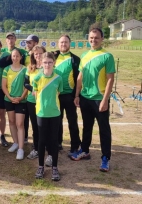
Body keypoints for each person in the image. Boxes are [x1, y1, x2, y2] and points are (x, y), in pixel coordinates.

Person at [72, 27, 115, 172]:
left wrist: (105, 100)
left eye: (96, 37)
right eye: (91, 37)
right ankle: (84, 150)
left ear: (102, 39)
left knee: (104, 129)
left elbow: (110, 80)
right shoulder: (84, 55)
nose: (93, 40)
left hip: (99, 99)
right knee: (87, 126)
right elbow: (80, 77)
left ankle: (105, 158)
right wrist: (77, 95)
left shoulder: (107, 56)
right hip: (85, 98)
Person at [33, 52, 63, 181]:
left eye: (50, 62)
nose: (47, 65)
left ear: (54, 63)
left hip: (55, 114)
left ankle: (55, 168)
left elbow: (58, 93)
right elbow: (35, 94)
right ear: (41, 63)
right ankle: (40, 167)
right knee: (41, 141)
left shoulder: (58, 78)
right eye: (45, 62)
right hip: (41, 113)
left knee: (53, 141)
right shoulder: (36, 78)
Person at [53, 34, 81, 154]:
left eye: (66, 42)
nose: (63, 44)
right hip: (56, 96)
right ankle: (58, 143)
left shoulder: (75, 59)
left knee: (72, 121)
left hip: (69, 95)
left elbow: (79, 78)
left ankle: (75, 144)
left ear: (70, 44)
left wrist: (76, 95)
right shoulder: (53, 56)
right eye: (61, 42)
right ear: (58, 44)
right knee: (57, 121)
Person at [2, 49, 28, 160]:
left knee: (20, 124)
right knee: (11, 122)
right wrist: (10, 97)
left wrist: (21, 97)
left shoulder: (25, 69)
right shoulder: (6, 69)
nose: (15, 58)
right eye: (13, 56)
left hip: (21, 100)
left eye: (17, 56)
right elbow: (3, 86)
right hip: (9, 100)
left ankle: (21, 149)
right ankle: (16, 143)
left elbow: (27, 85)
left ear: (21, 57)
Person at [24, 45, 46, 160]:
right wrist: (34, 90)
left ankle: (45, 147)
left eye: (40, 53)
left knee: (44, 126)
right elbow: (26, 83)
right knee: (35, 125)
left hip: (44, 102)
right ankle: (36, 148)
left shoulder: (47, 67)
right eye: (36, 54)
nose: (38, 56)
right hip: (32, 101)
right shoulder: (30, 68)